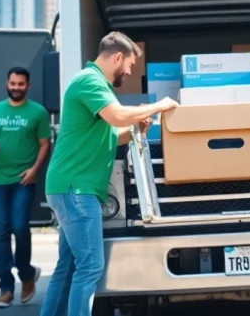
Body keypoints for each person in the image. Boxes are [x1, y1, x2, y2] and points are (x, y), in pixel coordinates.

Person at [40, 32, 179, 316]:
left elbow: (109, 135)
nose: (129, 72)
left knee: (67, 268)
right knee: (90, 266)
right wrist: (161, 106)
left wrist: (136, 128)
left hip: (69, 189)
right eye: (128, 64)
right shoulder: (89, 81)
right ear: (117, 56)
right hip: (75, 191)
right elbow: (116, 116)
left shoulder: (95, 84)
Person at [0, 66, 51, 309]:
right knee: (2, 232)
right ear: (7, 83)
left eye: (21, 84)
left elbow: (44, 144)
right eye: (13, 83)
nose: (16, 87)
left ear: (27, 86)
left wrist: (34, 170)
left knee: (20, 228)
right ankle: (6, 289)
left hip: (23, 180)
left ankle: (26, 274)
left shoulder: (38, 112)